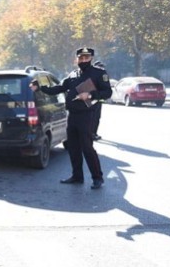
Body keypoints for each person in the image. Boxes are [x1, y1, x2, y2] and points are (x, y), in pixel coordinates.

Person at [30, 47, 112, 189]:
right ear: (77, 59)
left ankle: (97, 178)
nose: (83, 60)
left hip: (87, 115)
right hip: (72, 116)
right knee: (73, 148)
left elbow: (107, 92)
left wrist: (91, 95)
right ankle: (77, 176)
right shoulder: (73, 74)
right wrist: (40, 88)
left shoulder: (98, 73)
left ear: (91, 58)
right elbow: (59, 88)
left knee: (87, 147)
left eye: (86, 58)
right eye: (80, 58)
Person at [92, 61, 106, 140]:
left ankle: (94, 133)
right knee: (93, 118)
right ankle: (91, 134)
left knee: (96, 118)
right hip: (92, 100)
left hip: (98, 100)